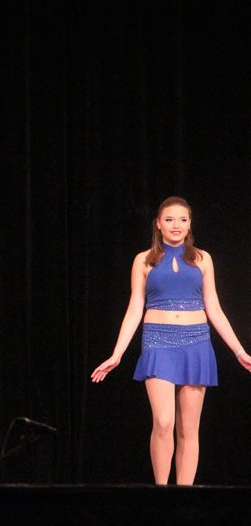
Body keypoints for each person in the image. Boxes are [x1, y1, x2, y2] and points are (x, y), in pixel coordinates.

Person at [91, 196, 251, 485]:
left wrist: (239, 351)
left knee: (188, 428)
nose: (176, 225)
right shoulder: (143, 260)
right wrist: (117, 354)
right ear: (158, 224)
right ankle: (162, 494)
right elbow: (134, 308)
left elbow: (214, 307)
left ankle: (184, 497)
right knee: (163, 421)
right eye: (169, 219)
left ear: (190, 224)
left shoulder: (202, 259)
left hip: (196, 342)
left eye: (182, 219)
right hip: (158, 341)